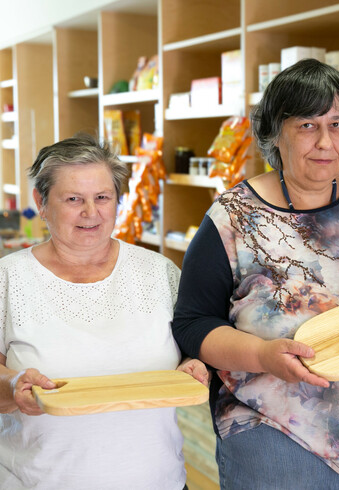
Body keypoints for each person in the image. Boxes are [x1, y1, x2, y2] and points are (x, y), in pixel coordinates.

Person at [172, 59, 339, 489]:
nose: (325, 142)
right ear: (274, 133)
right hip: (275, 435)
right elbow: (192, 325)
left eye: (337, 125)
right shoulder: (232, 217)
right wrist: (263, 357)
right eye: (306, 125)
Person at [0, 134, 207, 490]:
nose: (91, 213)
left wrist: (193, 363)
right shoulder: (8, 278)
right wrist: (12, 387)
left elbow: (190, 348)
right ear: (42, 201)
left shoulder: (159, 272)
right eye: (73, 199)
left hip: (160, 481)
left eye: (102, 197)